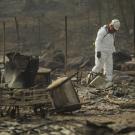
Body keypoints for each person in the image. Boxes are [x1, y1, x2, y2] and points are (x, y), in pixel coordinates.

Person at [87, 19, 120, 87]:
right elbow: (97, 41)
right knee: (99, 66)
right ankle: (89, 79)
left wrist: (113, 50)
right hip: (101, 51)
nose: (114, 31)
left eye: (115, 30)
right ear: (111, 25)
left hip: (109, 52)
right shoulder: (103, 31)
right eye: (113, 29)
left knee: (109, 66)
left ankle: (108, 81)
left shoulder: (113, 33)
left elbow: (112, 42)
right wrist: (98, 51)